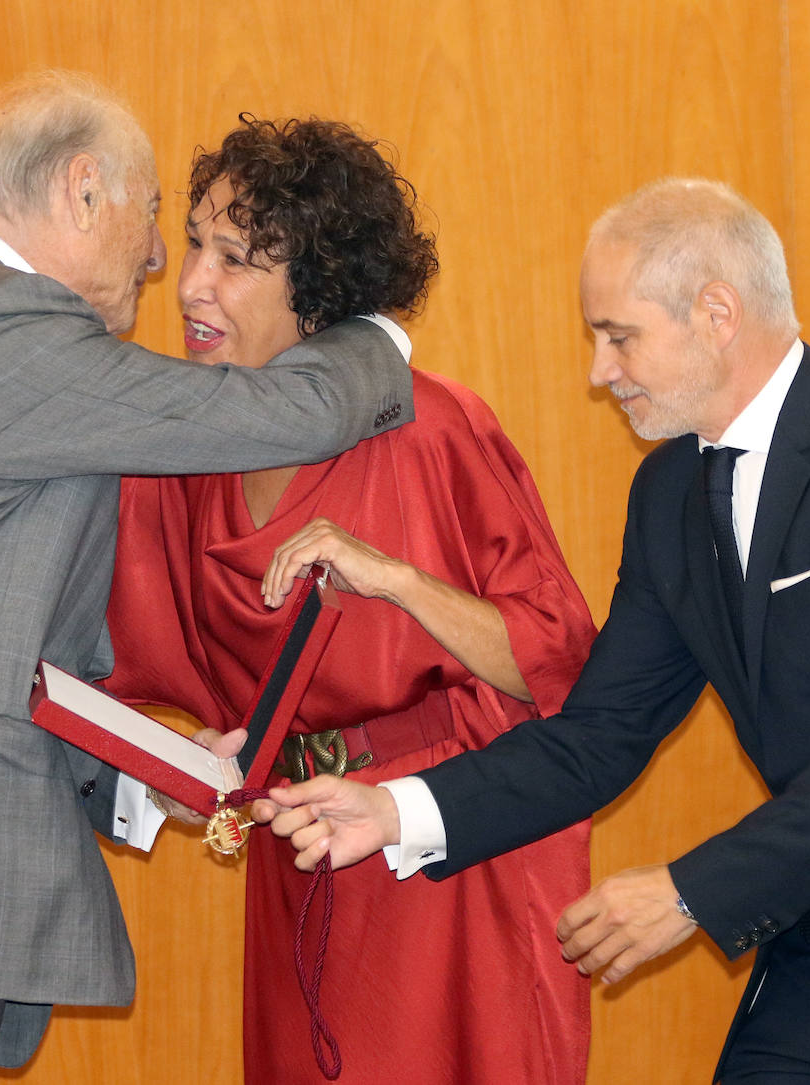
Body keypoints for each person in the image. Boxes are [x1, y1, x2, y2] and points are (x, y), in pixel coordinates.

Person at [261, 177, 810, 1084]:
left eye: (618, 335)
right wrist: (394, 808)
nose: (600, 371)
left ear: (718, 312)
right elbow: (598, 736)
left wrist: (687, 894)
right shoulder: (671, 493)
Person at [0, 72, 414, 1085]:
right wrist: (375, 328)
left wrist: (151, 775)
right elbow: (274, 415)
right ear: (83, 190)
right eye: (154, 217)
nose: (157, 258)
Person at [101, 116, 597, 1084]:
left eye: (235, 257)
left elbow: (561, 658)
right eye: (196, 242)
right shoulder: (187, 449)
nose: (194, 282)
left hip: (436, 844)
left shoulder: (430, 428)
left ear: (319, 292)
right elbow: (96, 626)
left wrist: (403, 582)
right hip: (298, 842)